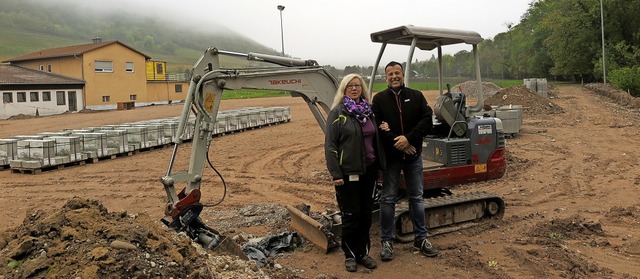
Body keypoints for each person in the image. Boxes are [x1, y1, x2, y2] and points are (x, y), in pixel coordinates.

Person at [371, 61, 439, 261]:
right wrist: (398, 142)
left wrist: (409, 139)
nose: (394, 76)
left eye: (397, 73)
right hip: (392, 159)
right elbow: (377, 128)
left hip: (413, 156)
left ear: (403, 74)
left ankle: (421, 239)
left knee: (416, 198)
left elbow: (427, 120)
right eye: (390, 73)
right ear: (386, 78)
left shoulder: (416, 96)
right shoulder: (379, 100)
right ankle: (386, 241)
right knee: (388, 198)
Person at [324, 73, 386, 272]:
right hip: (348, 173)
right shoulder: (338, 113)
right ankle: (350, 255)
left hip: (369, 171)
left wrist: (379, 168)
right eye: (350, 85)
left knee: (366, 215)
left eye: (357, 85)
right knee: (351, 216)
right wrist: (336, 174)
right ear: (344, 89)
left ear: (362, 88)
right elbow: (330, 146)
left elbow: (375, 141)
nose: (354, 88)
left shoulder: (369, 112)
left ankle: (363, 252)